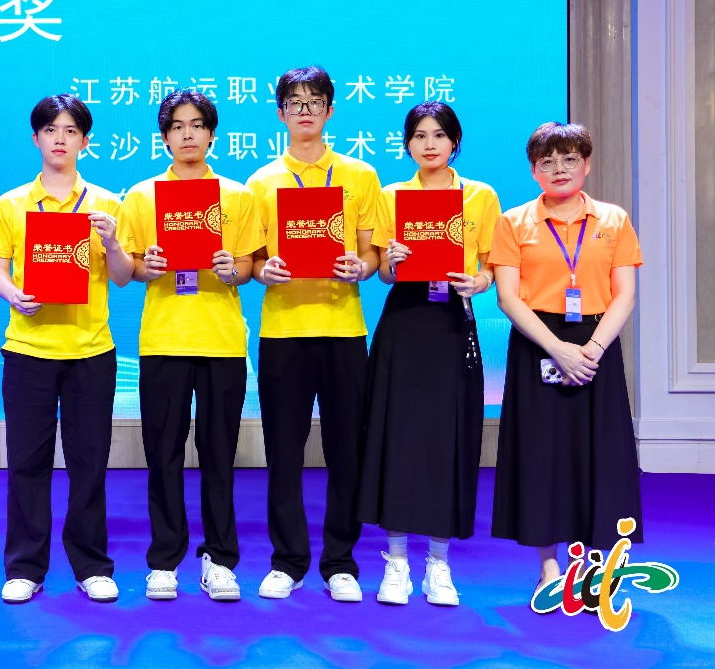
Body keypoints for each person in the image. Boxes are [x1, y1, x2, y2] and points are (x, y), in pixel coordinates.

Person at [0, 94, 133, 604]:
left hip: (91, 351)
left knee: (89, 462)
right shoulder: (12, 204)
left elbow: (123, 276)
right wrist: (12, 295)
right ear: (36, 139)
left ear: (85, 141)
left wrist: (113, 244)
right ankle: (25, 566)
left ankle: (92, 566)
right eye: (50, 130)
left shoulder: (106, 204)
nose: (60, 139)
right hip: (28, 350)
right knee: (27, 461)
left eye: (70, 131)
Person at [356, 101, 502, 607]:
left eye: (439, 135)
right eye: (419, 136)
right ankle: (396, 561)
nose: (429, 144)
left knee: (448, 439)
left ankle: (438, 563)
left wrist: (479, 282)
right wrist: (393, 262)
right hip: (405, 323)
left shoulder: (480, 196)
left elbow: (492, 265)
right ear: (407, 145)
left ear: (454, 142)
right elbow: (383, 272)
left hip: (452, 323)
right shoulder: (391, 196)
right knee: (397, 436)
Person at [117, 89, 261, 602]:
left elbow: (248, 266)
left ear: (211, 134)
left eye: (197, 125)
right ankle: (164, 560)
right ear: (164, 137)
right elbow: (129, 267)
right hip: (164, 339)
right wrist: (147, 267)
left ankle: (219, 558)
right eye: (177, 126)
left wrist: (231, 270)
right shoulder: (142, 196)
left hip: (221, 341)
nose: (187, 134)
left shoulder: (236, 196)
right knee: (163, 454)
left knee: (220, 455)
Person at [489, 122, 643, 596]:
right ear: (534, 170)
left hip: (597, 343)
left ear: (586, 164)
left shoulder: (613, 219)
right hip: (537, 342)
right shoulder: (514, 221)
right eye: (547, 162)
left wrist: (592, 349)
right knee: (542, 457)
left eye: (570, 159)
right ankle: (550, 568)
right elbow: (507, 298)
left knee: (602, 455)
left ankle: (597, 567)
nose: (559, 169)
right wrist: (557, 349)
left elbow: (625, 293)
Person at [247, 65, 382, 603]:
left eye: (314, 101)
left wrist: (360, 267)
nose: (304, 110)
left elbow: (371, 255)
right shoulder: (262, 182)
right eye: (294, 102)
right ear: (281, 113)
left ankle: (340, 562)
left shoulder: (359, 175)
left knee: (346, 448)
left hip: (343, 329)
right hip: (283, 332)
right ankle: (287, 561)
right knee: (284, 449)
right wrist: (266, 271)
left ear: (329, 110)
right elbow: (253, 261)